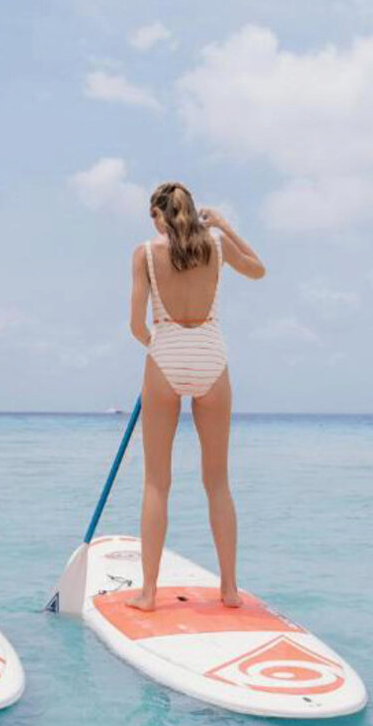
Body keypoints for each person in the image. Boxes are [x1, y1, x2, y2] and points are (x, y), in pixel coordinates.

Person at [126, 182, 266, 611]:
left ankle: (149, 594)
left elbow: (135, 325)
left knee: (156, 482)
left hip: (167, 354)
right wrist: (224, 224)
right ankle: (229, 589)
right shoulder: (217, 249)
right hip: (210, 357)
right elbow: (258, 269)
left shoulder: (145, 254)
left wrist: (162, 349)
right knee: (218, 482)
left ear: (157, 215)